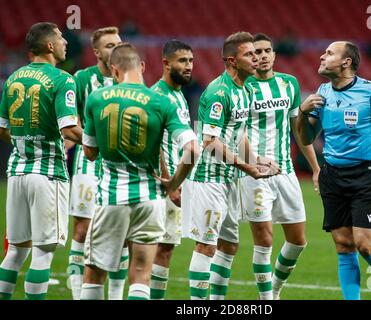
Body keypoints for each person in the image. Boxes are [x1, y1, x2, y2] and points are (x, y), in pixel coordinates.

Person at [80, 43, 199, 300]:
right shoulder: (160, 101)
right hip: (150, 198)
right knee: (142, 273)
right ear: (142, 67)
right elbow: (192, 149)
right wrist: (173, 182)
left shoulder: (97, 98)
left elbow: (90, 152)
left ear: (114, 70)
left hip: (111, 196)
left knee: (94, 273)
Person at [298, 41, 371, 300]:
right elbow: (306, 138)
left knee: (366, 246)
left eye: (329, 53)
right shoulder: (322, 93)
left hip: (364, 174)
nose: (322, 56)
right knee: (343, 245)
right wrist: (302, 114)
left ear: (346, 62)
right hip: (332, 175)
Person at [182, 31, 280, 300]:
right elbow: (210, 141)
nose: (257, 58)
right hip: (208, 178)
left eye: (258, 53)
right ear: (231, 60)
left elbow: (240, 135)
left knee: (230, 245)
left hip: (229, 178)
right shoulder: (217, 92)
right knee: (206, 245)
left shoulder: (246, 89)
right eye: (249, 54)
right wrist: (246, 168)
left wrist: (256, 160)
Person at [0, 22, 82, 300]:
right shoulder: (62, 79)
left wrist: (26, 140)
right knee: (44, 252)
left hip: (17, 171)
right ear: (49, 46)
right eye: (60, 38)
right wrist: (101, 142)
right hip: (48, 174)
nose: (65, 43)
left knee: (14, 252)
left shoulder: (13, 78)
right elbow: (69, 129)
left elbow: (2, 129)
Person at [241, 33, 320, 300]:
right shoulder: (243, 86)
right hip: (255, 174)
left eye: (266, 51)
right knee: (264, 241)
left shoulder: (289, 84)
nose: (261, 56)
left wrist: (315, 167)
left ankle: (274, 287)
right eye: (255, 52)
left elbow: (298, 130)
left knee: (298, 241)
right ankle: (267, 300)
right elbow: (234, 132)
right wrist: (250, 161)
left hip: (286, 172)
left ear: (274, 54)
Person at [67, 27, 127, 300]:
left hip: (120, 168)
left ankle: (114, 295)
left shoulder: (128, 80)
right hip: (88, 165)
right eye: (109, 45)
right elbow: (71, 120)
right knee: (83, 228)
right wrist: (93, 143)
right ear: (96, 52)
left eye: (118, 43)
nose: (115, 48)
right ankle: (80, 293)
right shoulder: (81, 79)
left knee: (122, 231)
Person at [149, 40, 194, 300]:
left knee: (166, 248)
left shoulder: (178, 94)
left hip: (173, 183)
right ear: (166, 63)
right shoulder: (157, 95)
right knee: (147, 248)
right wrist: (170, 182)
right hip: (160, 185)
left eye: (190, 61)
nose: (188, 67)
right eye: (182, 61)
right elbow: (154, 144)